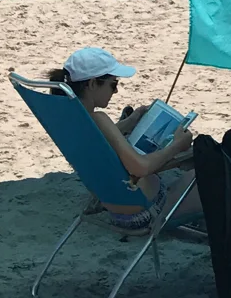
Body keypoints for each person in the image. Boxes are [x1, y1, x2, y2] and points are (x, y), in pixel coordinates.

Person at [47, 45, 200, 233]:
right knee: (210, 170)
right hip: (148, 211)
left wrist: (132, 120)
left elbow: (100, 140)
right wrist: (177, 145)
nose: (116, 91)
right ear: (93, 84)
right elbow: (141, 167)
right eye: (113, 84)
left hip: (114, 207)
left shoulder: (72, 122)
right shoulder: (99, 119)